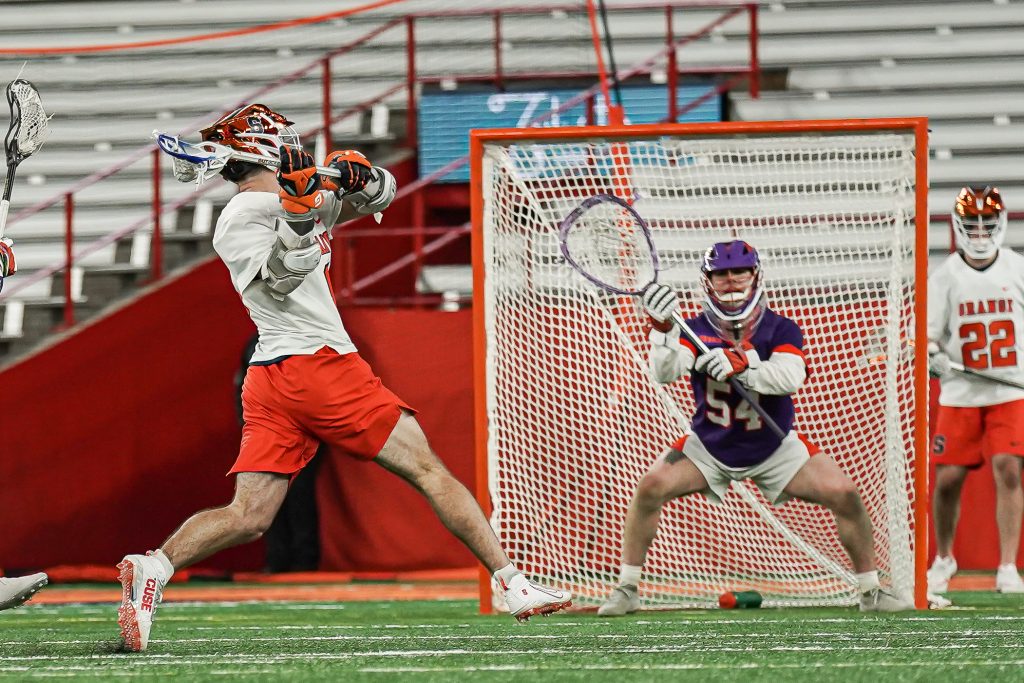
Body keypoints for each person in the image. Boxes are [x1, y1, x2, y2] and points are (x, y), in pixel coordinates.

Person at [115, 104, 570, 652]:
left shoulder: (290, 192)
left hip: (272, 376)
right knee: (429, 469)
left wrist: (359, 175)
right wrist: (304, 216)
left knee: (251, 515)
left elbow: (381, 193)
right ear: (262, 147)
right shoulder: (239, 217)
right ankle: (512, 583)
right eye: (281, 138)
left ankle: (153, 567)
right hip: (318, 365)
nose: (293, 142)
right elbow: (281, 278)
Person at [598, 240, 912, 616]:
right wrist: (663, 328)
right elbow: (664, 372)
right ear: (708, 280)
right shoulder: (693, 328)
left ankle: (870, 590)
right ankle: (628, 587)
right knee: (650, 486)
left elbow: (791, 377)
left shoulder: (780, 328)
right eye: (721, 274)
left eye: (738, 272)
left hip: (773, 447)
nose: (730, 281)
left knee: (844, 493)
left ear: (755, 275)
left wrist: (743, 366)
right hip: (710, 445)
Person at [926, 186, 1024, 595]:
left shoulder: (1017, 268)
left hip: (1010, 390)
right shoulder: (945, 275)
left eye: (987, 223)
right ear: (959, 226)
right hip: (960, 391)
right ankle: (944, 557)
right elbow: (929, 336)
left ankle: (1007, 566)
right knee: (947, 478)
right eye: (973, 224)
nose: (981, 232)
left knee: (1008, 468)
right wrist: (933, 354)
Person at [236, 333, 321, 573]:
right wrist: (249, 431)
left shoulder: (305, 340)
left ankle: (305, 562)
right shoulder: (255, 345)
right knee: (266, 502)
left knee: (299, 499)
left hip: (303, 434)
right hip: (268, 437)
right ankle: (278, 560)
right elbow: (243, 391)